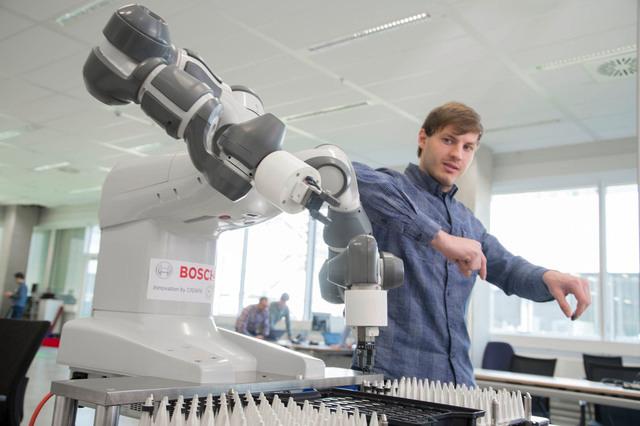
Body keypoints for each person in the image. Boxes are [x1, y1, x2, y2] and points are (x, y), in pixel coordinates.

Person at [353, 102, 591, 386]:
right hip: (395, 380)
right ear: (423, 138)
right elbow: (347, 174)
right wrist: (439, 238)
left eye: (468, 147)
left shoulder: (467, 222)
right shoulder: (391, 188)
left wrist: (547, 277)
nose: (457, 154)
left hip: (458, 380)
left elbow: (509, 269)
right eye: (448, 140)